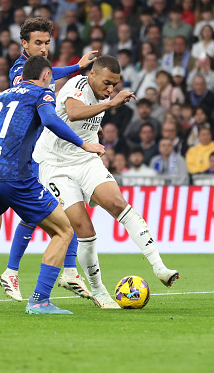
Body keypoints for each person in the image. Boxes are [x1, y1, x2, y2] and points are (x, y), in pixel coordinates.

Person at [0, 55, 105, 315]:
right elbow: (49, 120)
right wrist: (84, 143)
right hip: (17, 178)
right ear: (47, 75)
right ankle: (39, 300)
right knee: (64, 231)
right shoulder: (42, 94)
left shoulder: (0, 97)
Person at [31, 55, 179, 309]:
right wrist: (111, 104)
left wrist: (95, 128)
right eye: (107, 83)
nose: (110, 89)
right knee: (84, 229)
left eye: (115, 84)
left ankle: (160, 267)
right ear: (93, 75)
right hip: (55, 166)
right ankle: (99, 291)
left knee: (118, 203)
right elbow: (76, 112)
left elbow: (81, 120)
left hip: (86, 159)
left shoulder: (100, 95)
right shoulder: (75, 86)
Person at [0, 17, 98, 302]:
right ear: (24, 44)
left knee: (67, 205)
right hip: (31, 152)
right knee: (40, 213)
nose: (43, 48)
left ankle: (68, 270)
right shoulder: (22, 71)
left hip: (41, 148)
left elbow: (52, 78)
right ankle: (13, 271)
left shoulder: (43, 71)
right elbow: (47, 82)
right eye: (37, 43)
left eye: (46, 42)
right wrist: (77, 67)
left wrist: (76, 67)